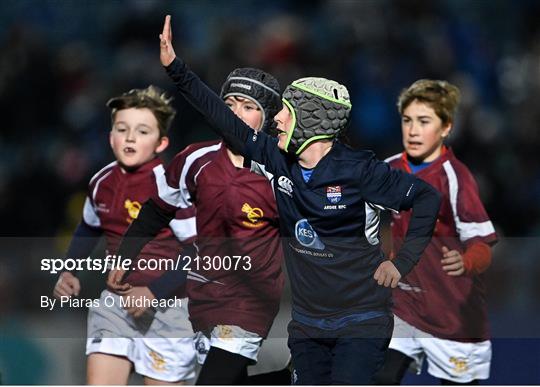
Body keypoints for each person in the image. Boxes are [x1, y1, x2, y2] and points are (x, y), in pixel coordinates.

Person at [149, 15, 441, 385]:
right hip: (307, 326)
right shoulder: (276, 160)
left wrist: (403, 263)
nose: (277, 121)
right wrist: (176, 69)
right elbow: (224, 119)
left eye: (286, 113)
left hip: (361, 321)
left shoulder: (360, 171)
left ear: (311, 120)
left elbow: (427, 197)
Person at [108, 67, 288, 384]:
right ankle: (295, 378)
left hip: (249, 300)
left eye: (248, 107)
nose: (235, 114)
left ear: (267, 119)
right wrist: (125, 258)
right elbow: (155, 211)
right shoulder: (195, 158)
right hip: (203, 297)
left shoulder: (279, 174)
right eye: (230, 104)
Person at [52, 86, 197, 385]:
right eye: (122, 128)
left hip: (169, 308)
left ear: (161, 142)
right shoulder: (100, 181)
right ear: (111, 137)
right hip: (115, 305)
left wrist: (154, 291)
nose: (130, 137)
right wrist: (69, 268)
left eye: (142, 131)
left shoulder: (172, 188)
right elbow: (89, 226)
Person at [374, 79, 498, 385]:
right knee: (378, 376)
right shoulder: (386, 171)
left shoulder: (455, 178)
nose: (413, 130)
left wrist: (466, 261)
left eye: (424, 121)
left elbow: (482, 244)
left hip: (452, 311)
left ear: (445, 128)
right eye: (407, 120)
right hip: (402, 305)